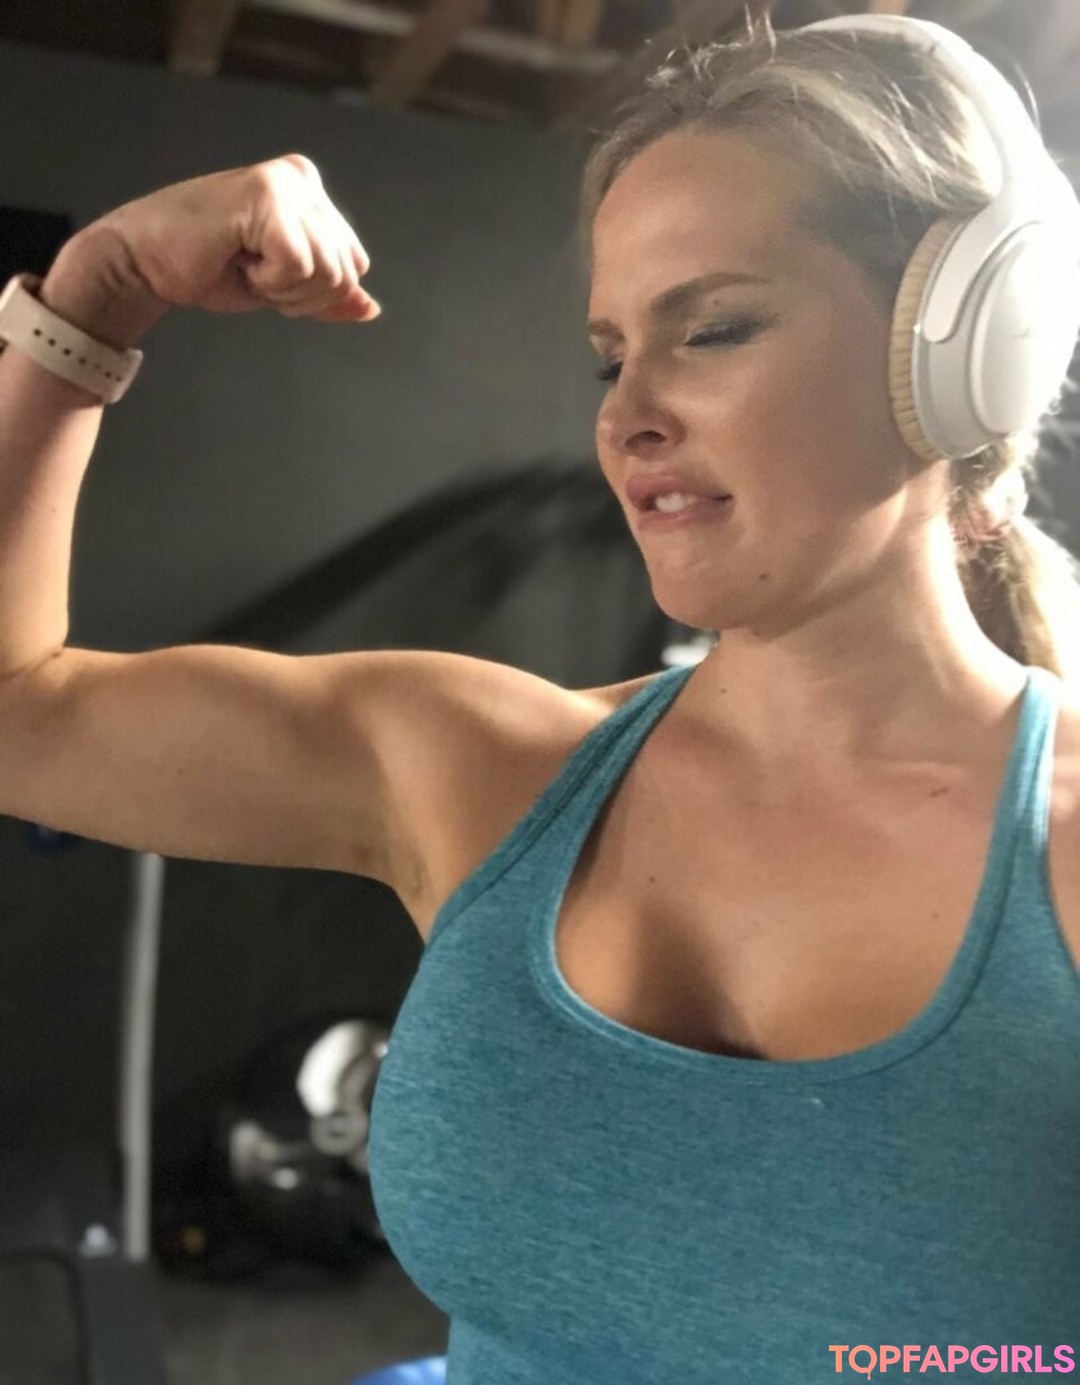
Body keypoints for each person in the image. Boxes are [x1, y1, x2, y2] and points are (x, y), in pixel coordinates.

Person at [1, 10, 1079, 1379]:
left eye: (714, 328)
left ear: (965, 347)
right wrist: (88, 303)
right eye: (610, 355)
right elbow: (19, 716)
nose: (625, 417)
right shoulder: (481, 773)